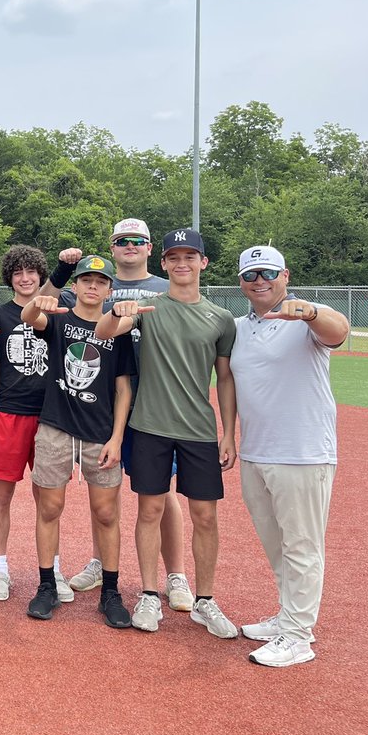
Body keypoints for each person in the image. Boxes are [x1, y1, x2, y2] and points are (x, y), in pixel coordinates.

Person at [95, 228, 239, 638]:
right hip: (150, 425)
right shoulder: (148, 307)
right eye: (174, 257)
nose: (182, 264)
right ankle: (149, 594)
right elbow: (105, 333)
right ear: (163, 263)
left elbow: (224, 379)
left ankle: (205, 601)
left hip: (198, 429)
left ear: (203, 263)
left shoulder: (220, 318)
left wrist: (228, 433)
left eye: (190, 257)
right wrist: (118, 313)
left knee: (205, 515)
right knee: (150, 510)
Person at [63, 219, 194, 613]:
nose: (131, 246)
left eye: (138, 240)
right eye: (123, 241)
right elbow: (49, 300)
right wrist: (63, 266)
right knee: (102, 490)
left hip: (155, 401)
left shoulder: (165, 286)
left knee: (162, 493)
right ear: (113, 246)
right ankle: (103, 562)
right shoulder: (96, 282)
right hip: (104, 401)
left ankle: (176, 574)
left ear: (150, 248)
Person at [231, 246, 349, 666]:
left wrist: (312, 313)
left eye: (267, 272)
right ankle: (288, 617)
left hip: (302, 451)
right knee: (276, 543)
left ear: (285, 275)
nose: (258, 281)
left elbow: (339, 331)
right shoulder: (240, 327)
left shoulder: (306, 316)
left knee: (302, 545)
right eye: (250, 275)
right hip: (256, 450)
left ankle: (299, 635)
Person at [18, 256, 135, 627]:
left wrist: (117, 438)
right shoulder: (58, 319)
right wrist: (40, 301)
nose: (92, 287)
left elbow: (123, 388)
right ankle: (47, 584)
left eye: (100, 282)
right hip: (56, 427)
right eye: (86, 279)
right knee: (49, 508)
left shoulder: (118, 331)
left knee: (106, 513)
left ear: (110, 290)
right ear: (76, 284)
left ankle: (110, 592)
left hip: (99, 433)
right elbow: (28, 319)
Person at [0, 245, 78, 603]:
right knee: (2, 493)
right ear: (9, 278)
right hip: (9, 413)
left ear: (41, 276)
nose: (25, 278)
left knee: (49, 498)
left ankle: (53, 570)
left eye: (31, 272)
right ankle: (0, 569)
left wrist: (62, 271)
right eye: (17, 273)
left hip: (51, 416)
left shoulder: (59, 311)